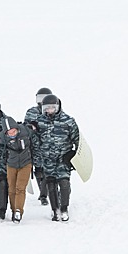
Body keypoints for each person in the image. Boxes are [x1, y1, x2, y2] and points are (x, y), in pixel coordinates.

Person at [36, 94, 80, 222]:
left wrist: (76, 157)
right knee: (51, 183)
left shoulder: (68, 121)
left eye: (52, 107)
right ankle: (55, 209)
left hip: (63, 158)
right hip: (47, 158)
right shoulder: (40, 121)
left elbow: (77, 139)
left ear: (58, 107)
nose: (50, 110)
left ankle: (64, 208)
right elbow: (35, 139)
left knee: (64, 182)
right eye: (47, 108)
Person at [0, 116, 41, 224]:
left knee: (20, 188)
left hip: (25, 164)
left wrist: (34, 126)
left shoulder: (25, 131)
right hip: (11, 165)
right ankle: (13, 210)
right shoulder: (3, 137)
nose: (12, 134)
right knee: (11, 188)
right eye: (9, 133)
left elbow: (33, 129)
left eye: (14, 131)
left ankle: (18, 211)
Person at [24, 87, 53, 206]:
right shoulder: (31, 112)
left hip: (50, 146)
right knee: (39, 170)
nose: (42, 101)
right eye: (40, 98)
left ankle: (46, 194)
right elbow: (24, 128)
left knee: (49, 171)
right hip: (35, 146)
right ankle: (43, 194)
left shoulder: (52, 111)